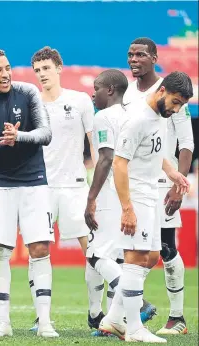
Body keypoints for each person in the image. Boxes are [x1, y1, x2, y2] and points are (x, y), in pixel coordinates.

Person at [0, 48, 58, 338]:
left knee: (40, 249)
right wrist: (1, 144)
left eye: (7, 68)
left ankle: (44, 322)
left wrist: (18, 136)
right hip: (1, 184)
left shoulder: (28, 92)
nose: (6, 74)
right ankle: (3, 323)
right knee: (0, 251)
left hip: (34, 182)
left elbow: (46, 134)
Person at [99, 71, 193, 343]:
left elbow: (157, 150)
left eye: (180, 106)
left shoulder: (160, 115)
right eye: (175, 102)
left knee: (151, 256)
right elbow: (119, 162)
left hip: (152, 190)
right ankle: (134, 328)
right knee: (134, 257)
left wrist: (173, 173)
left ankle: (114, 319)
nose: (176, 109)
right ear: (162, 91)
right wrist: (127, 207)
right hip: (137, 193)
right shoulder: (138, 118)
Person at [123, 37, 194, 335]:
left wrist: (178, 185)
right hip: (132, 181)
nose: (134, 59)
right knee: (127, 251)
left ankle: (177, 318)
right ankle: (124, 316)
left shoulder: (172, 89)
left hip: (161, 182)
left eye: (140, 55)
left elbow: (186, 142)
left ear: (154, 57)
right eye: (130, 54)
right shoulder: (125, 92)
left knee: (165, 248)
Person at [30, 46, 96, 331]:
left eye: (46, 68)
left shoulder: (80, 100)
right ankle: (42, 318)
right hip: (40, 187)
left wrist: (98, 186)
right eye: (37, 71)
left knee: (93, 249)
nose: (42, 74)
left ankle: (97, 313)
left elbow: (94, 145)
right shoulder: (32, 104)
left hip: (75, 186)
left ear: (58, 67)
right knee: (38, 250)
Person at [84, 69, 128, 329]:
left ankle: (137, 299)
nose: (93, 92)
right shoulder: (133, 115)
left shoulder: (104, 117)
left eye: (97, 87)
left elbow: (106, 158)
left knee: (95, 254)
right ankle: (111, 318)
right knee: (118, 256)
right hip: (131, 192)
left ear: (110, 90)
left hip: (110, 192)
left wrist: (91, 198)